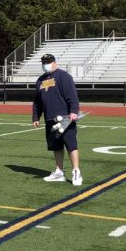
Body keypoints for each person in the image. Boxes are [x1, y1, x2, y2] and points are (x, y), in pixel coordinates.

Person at [32, 53, 83, 186]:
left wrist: (73, 111)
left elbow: (72, 96)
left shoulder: (64, 76)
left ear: (55, 62)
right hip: (50, 118)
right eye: (43, 62)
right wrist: (36, 116)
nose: (45, 65)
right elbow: (37, 101)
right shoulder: (40, 80)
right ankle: (59, 172)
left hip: (66, 118)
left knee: (71, 145)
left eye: (48, 62)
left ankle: (76, 171)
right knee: (56, 146)